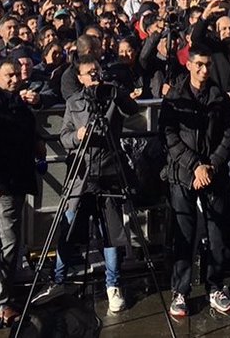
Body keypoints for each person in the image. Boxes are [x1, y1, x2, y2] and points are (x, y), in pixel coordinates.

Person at [53, 54, 141, 313]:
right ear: (80, 78)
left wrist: (116, 91)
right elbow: (64, 136)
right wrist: (77, 136)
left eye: (96, 70)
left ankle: (113, 284)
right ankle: (58, 280)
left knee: (111, 232)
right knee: (69, 228)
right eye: (89, 72)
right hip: (81, 175)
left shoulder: (112, 94)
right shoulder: (74, 102)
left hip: (109, 171)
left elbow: (132, 110)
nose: (94, 75)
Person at [160, 43, 230, 318]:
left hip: (213, 173)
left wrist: (210, 166)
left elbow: (229, 134)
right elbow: (168, 136)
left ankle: (215, 286)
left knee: (217, 235)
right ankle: (180, 290)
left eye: (208, 65)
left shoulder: (219, 97)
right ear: (189, 65)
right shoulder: (175, 97)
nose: (204, 70)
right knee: (184, 235)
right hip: (183, 174)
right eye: (199, 65)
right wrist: (194, 166)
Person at [0, 57, 45, 327]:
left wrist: (37, 141)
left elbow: (25, 130)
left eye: (17, 74)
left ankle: (0, 297)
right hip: (1, 184)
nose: (15, 79)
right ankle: (0, 303)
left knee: (6, 241)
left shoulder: (19, 104)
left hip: (17, 180)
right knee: (9, 242)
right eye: (9, 75)